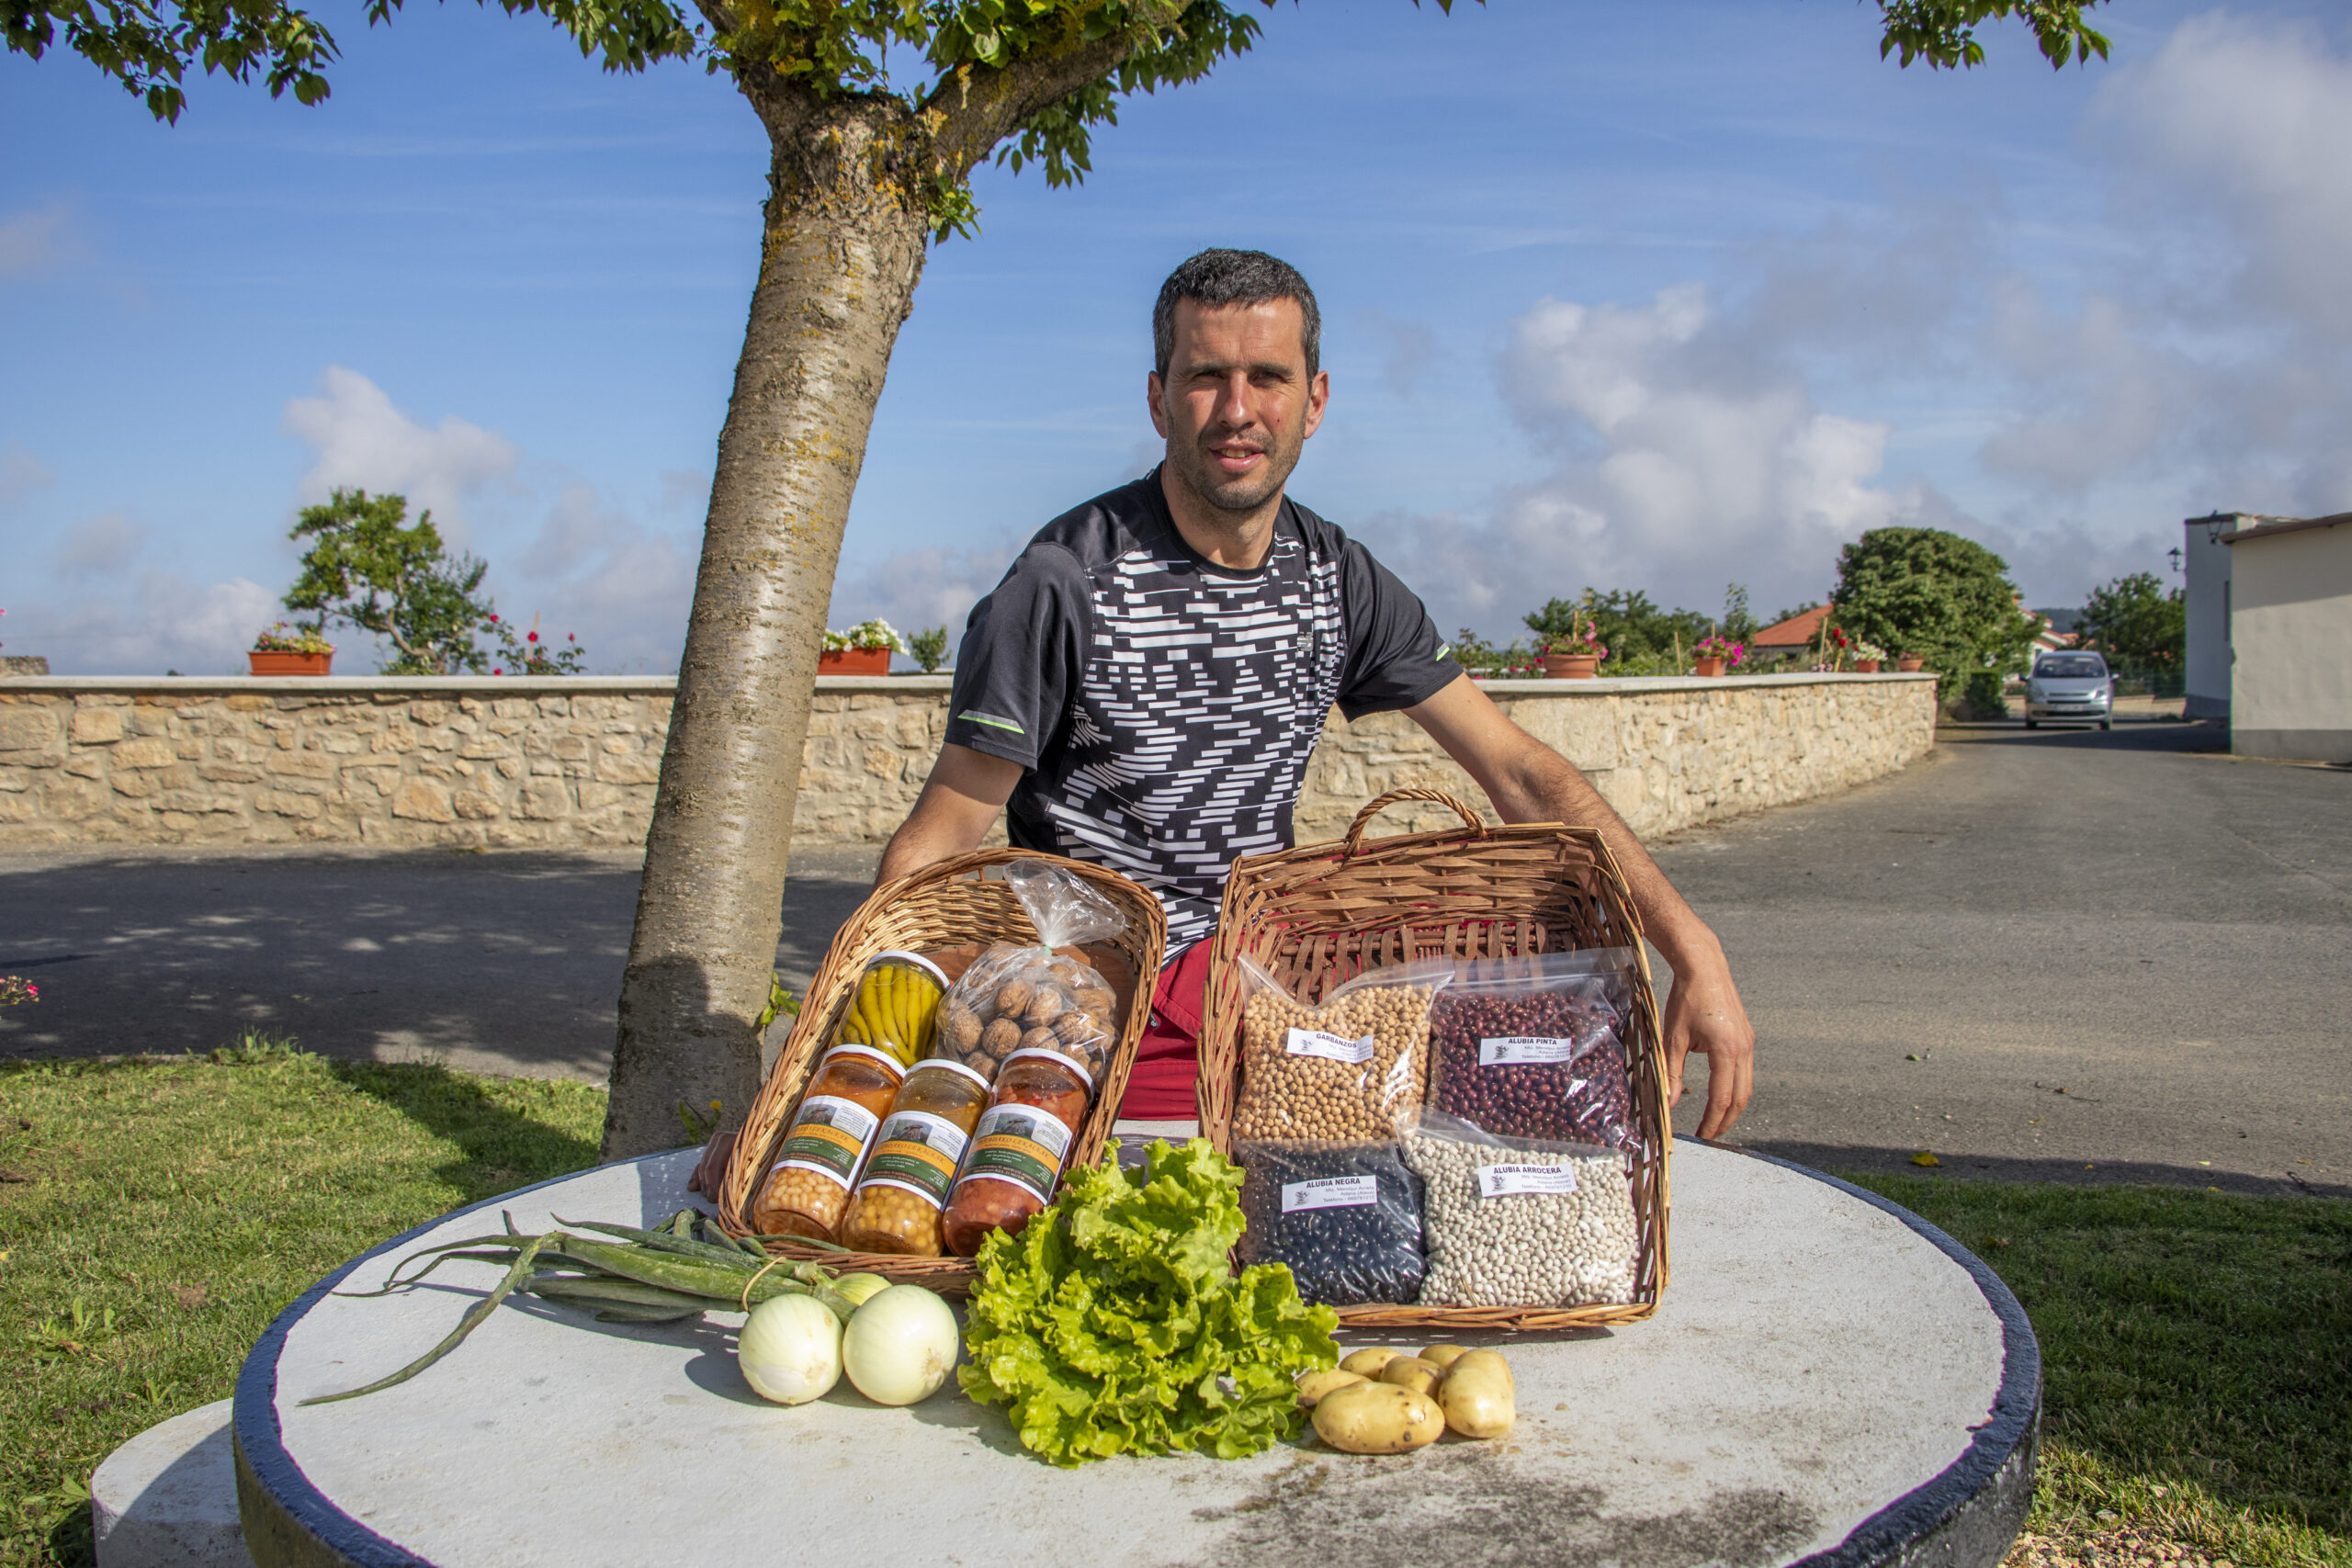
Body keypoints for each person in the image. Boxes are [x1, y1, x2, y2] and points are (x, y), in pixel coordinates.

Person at [876, 249, 1756, 1139]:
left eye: (1267, 378)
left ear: (1315, 400)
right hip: (1107, 1006)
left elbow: (1520, 771)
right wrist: (872, 1039)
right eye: (1206, 377)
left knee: (1513, 1054)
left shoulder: (1335, 575)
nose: (1238, 410)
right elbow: (943, 834)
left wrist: (1692, 948)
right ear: (1157, 398)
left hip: (1267, 979)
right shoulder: (1063, 581)